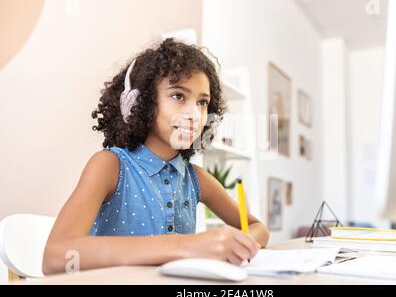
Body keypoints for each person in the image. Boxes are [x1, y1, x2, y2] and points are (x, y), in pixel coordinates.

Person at [43, 38, 269, 274]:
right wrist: (185, 245)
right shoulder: (109, 166)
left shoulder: (196, 179)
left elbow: (257, 227)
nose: (194, 114)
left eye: (202, 102)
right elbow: (56, 257)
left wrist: (239, 242)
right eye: (178, 96)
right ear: (139, 103)